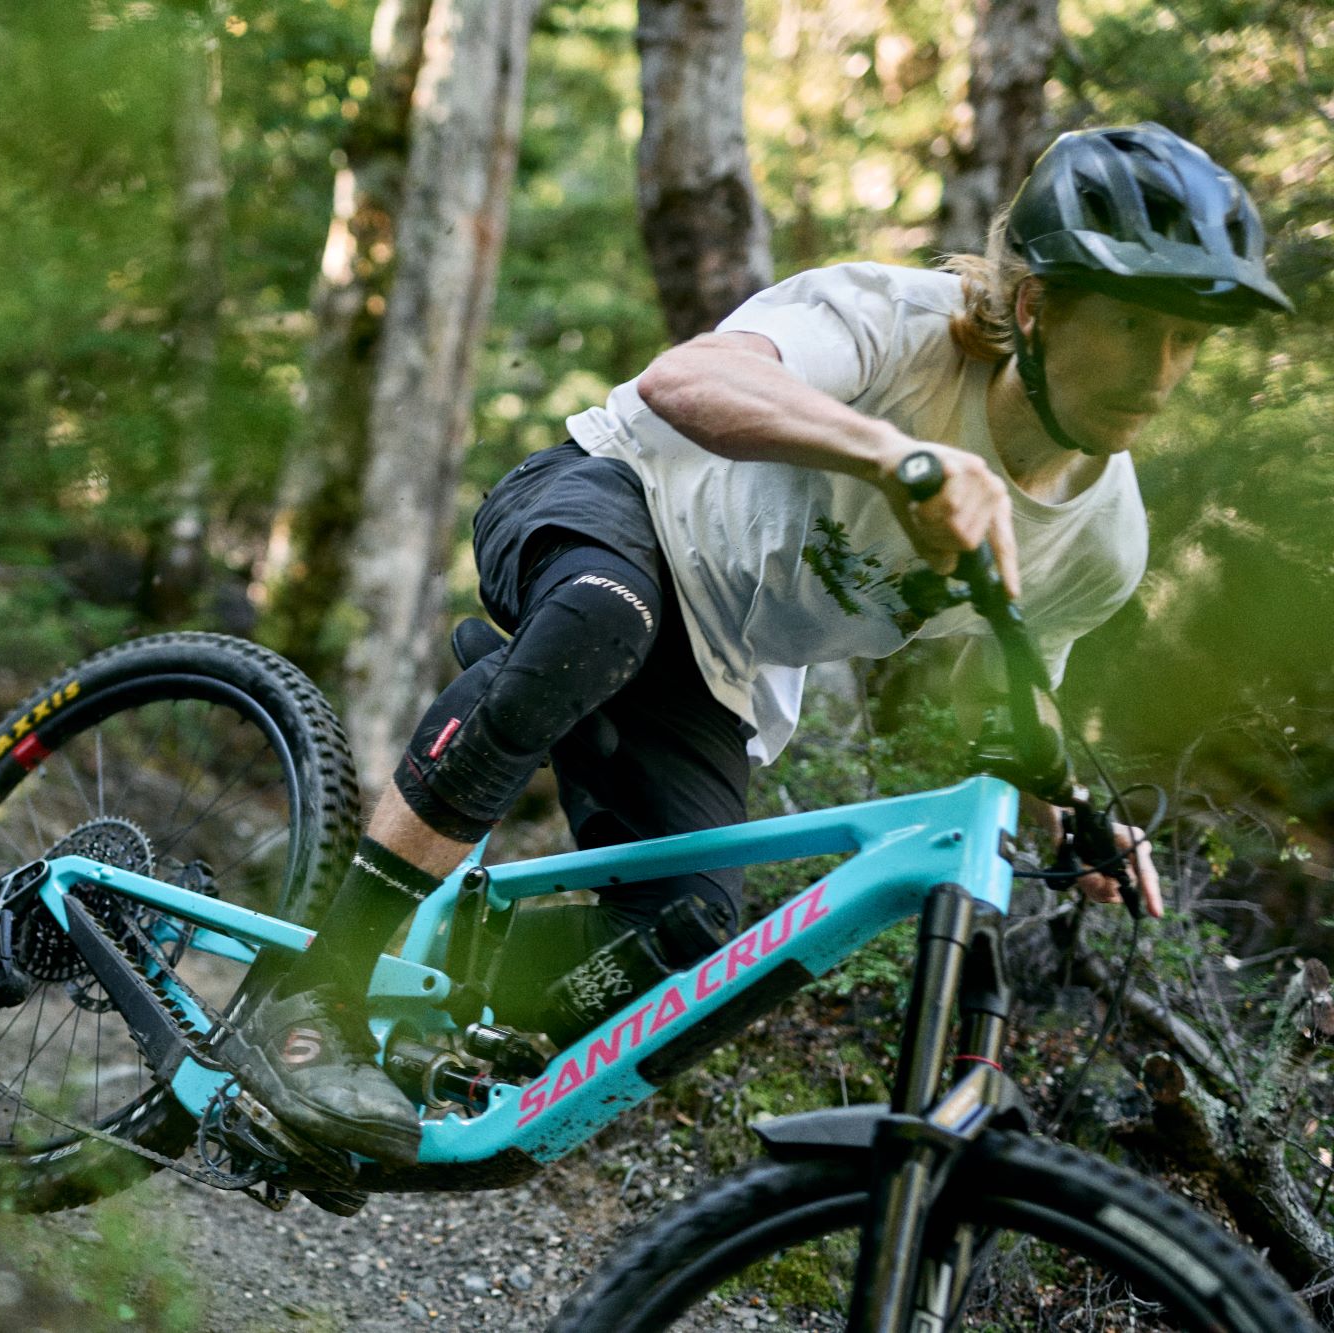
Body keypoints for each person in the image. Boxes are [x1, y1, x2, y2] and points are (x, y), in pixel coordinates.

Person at [223, 123, 1293, 1165]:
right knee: (602, 614)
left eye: (1187, 340)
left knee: (687, 943)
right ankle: (314, 997)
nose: (1161, 370)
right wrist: (896, 460)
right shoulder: (894, 322)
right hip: (614, 499)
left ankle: (427, 988)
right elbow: (684, 382)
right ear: (1034, 304)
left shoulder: (1105, 539)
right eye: (1133, 325)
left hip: (716, 665)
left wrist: (1074, 812)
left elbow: (1010, 695)